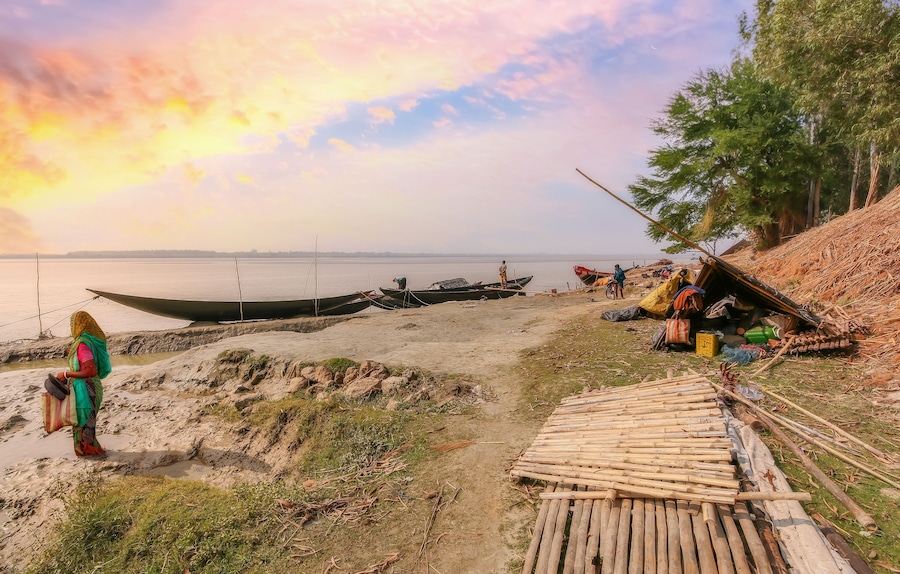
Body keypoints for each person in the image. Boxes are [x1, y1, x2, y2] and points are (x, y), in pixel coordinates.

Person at [56, 311, 111, 457]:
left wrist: (66, 374)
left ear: (77, 325)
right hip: (87, 386)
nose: (71, 327)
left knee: (84, 420)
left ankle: (88, 451)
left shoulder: (82, 344)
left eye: (72, 324)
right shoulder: (87, 342)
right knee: (84, 420)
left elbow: (91, 371)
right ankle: (88, 449)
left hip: (87, 388)